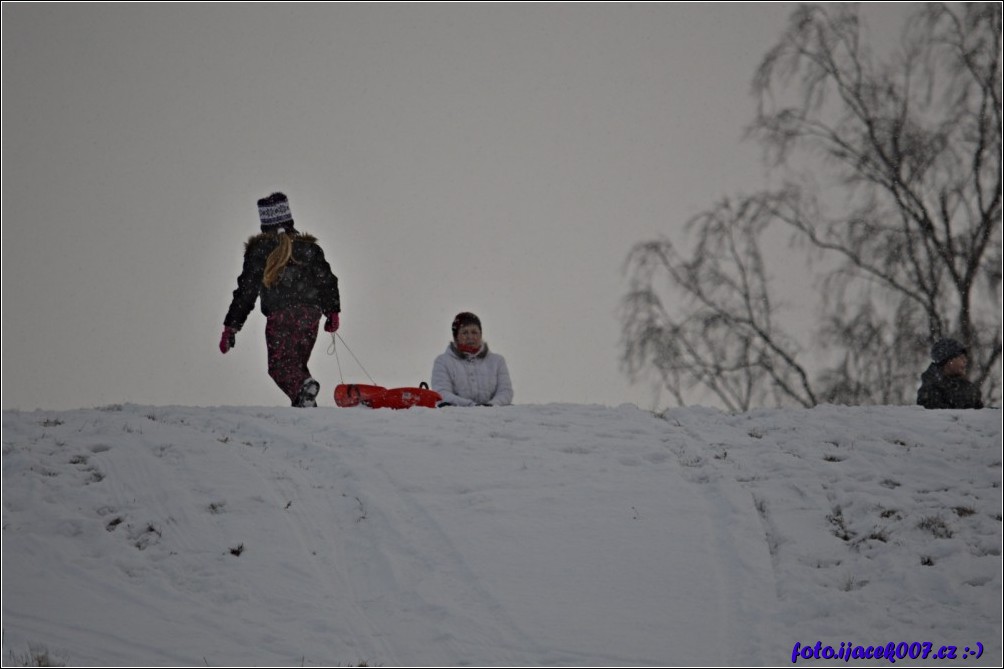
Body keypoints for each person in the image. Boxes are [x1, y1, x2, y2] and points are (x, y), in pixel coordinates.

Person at [220, 192, 341, 407]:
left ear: (264, 224)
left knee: (279, 366)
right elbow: (327, 281)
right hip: (309, 316)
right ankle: (306, 406)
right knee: (296, 364)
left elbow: (246, 292)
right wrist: (332, 312)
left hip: (281, 316)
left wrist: (232, 326)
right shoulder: (309, 249)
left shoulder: (260, 252)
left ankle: (303, 389)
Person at [431, 312, 513, 407]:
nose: (470, 337)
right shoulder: (443, 361)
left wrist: (492, 405)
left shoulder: (497, 361)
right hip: (457, 417)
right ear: (456, 337)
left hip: (493, 417)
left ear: (481, 334)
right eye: (465, 332)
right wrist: (471, 406)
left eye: (474, 332)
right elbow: (442, 393)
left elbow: (505, 391)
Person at [916, 338, 984, 410]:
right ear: (948, 361)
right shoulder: (930, 390)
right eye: (961, 358)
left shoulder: (969, 389)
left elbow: (979, 416)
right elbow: (939, 418)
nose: (965, 361)